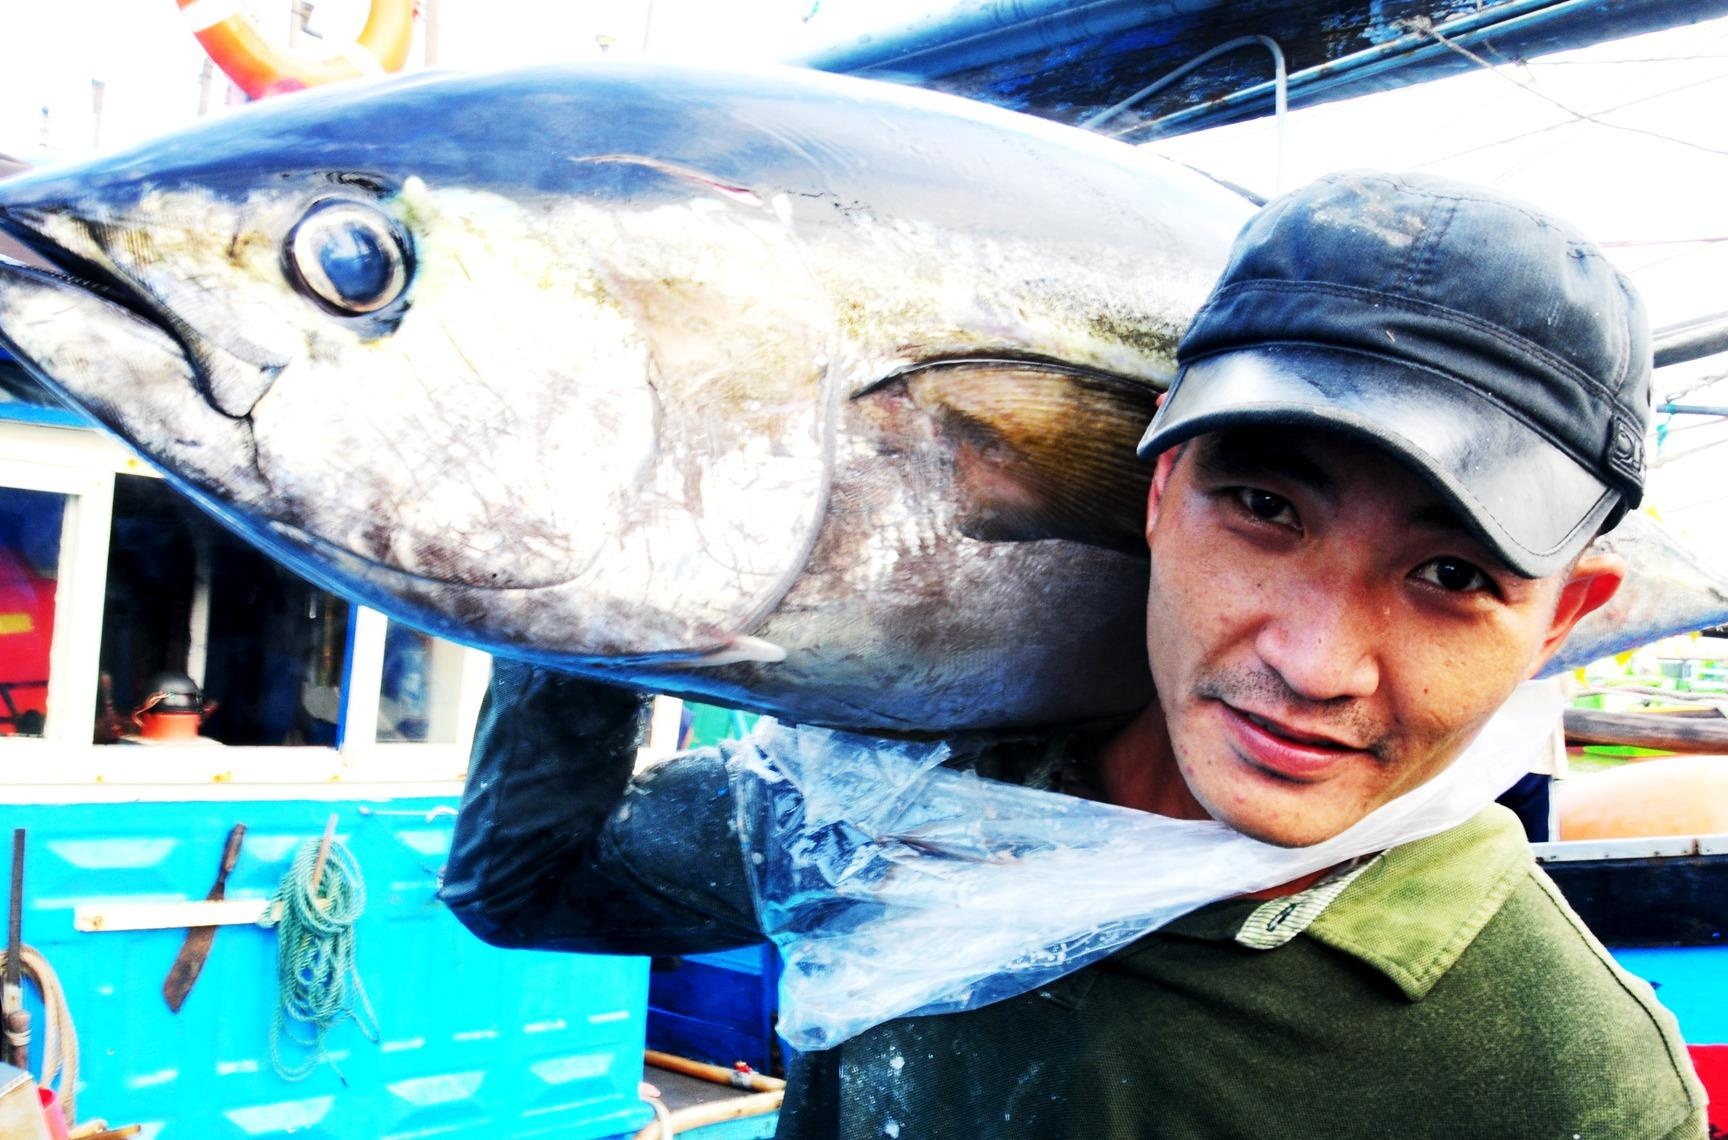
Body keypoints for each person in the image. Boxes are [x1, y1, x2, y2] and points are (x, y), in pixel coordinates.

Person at [440, 172, 1708, 1137]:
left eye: (1451, 577)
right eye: (1266, 509)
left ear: (1565, 616)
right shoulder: (928, 803)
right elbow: (530, 883)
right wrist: (606, 557)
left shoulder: (1564, 1077)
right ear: (1158, 487)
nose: (1318, 663)